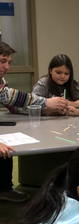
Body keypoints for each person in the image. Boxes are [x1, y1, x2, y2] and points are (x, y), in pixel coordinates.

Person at [0, 42, 67, 202]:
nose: (7, 66)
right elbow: (11, 96)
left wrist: (41, 110)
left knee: (6, 146)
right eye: (3, 60)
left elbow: (12, 105)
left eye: (9, 62)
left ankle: (3, 189)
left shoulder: (1, 80)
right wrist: (46, 103)